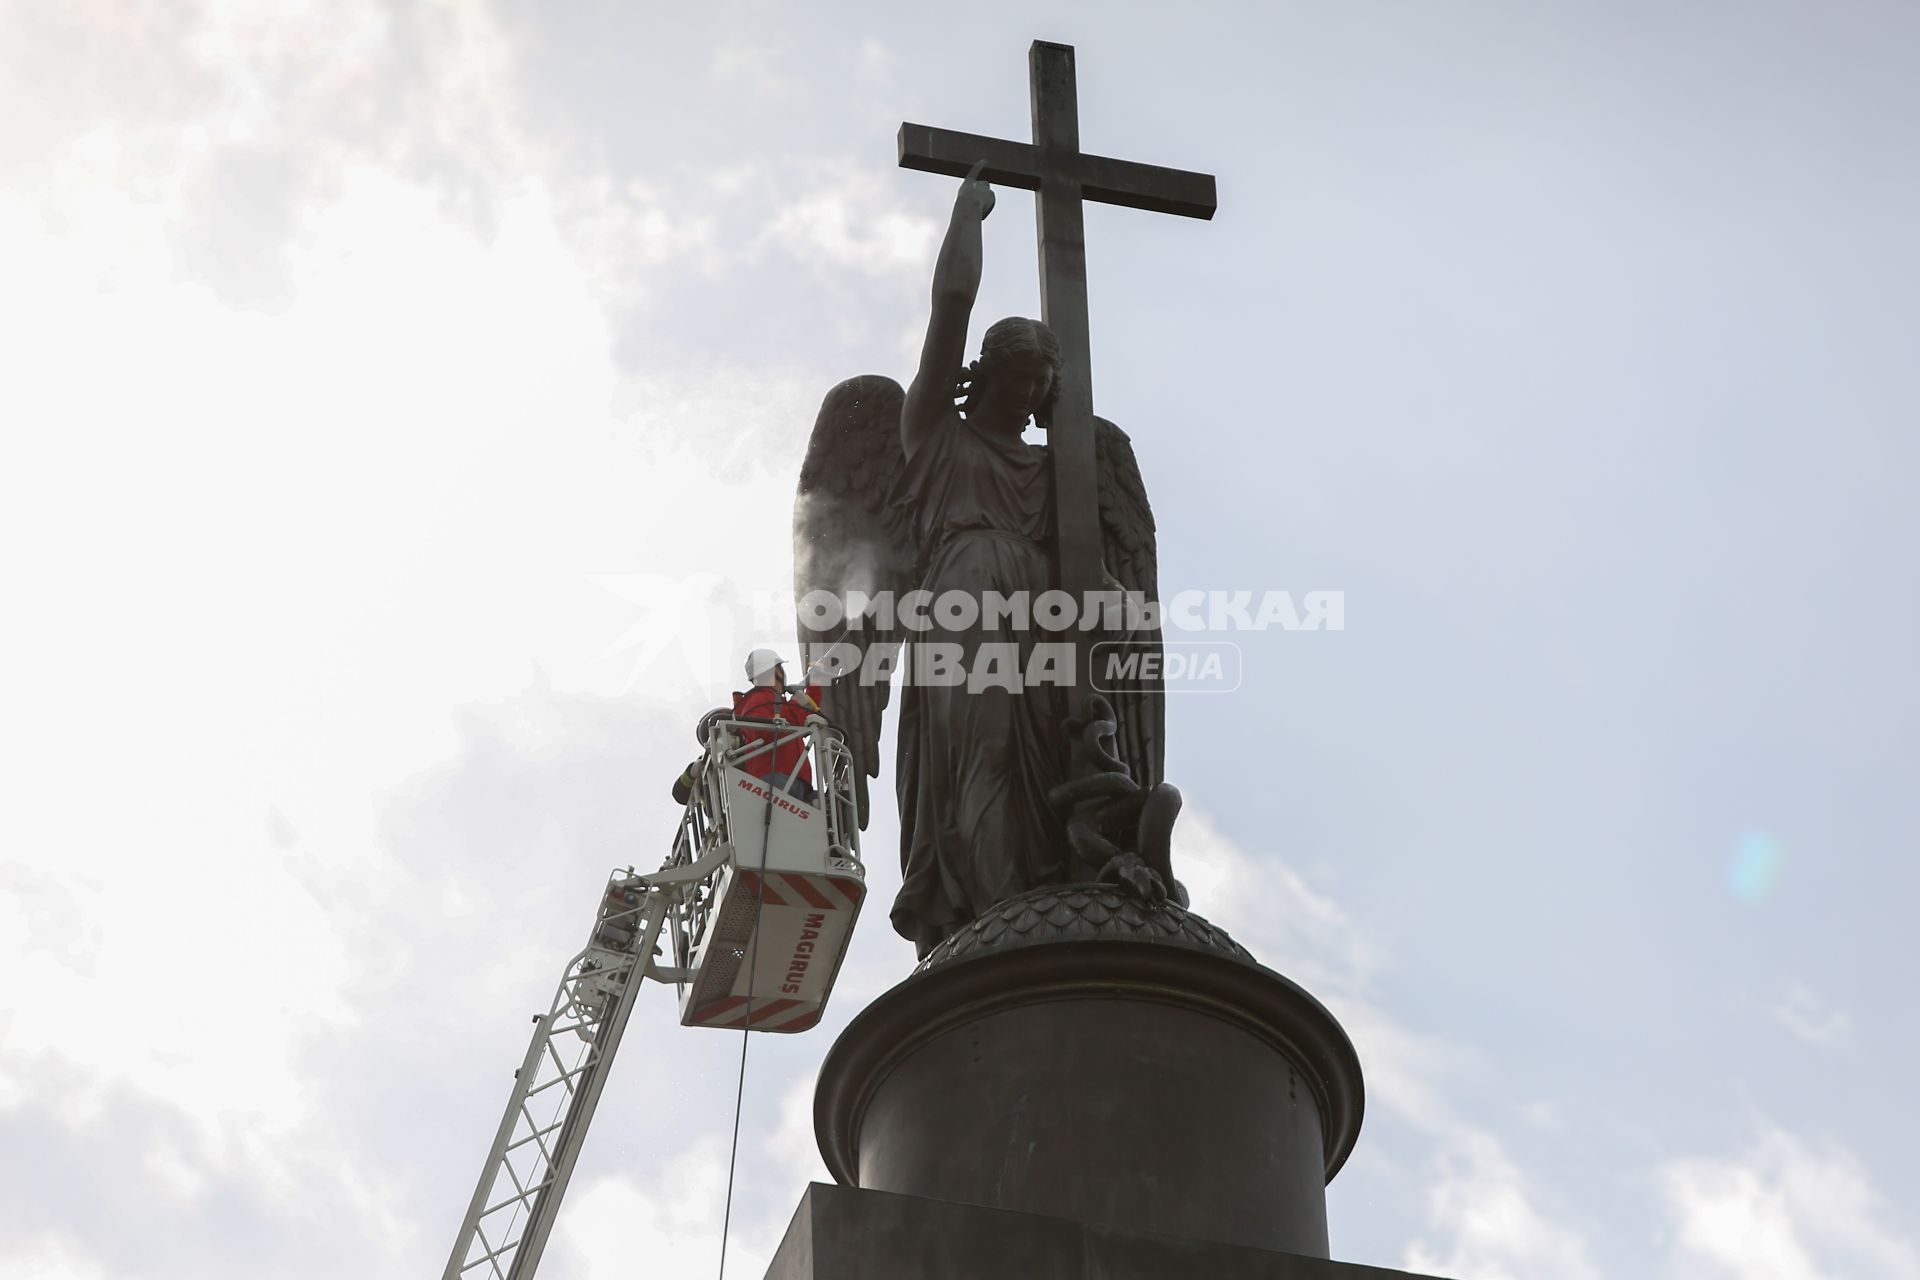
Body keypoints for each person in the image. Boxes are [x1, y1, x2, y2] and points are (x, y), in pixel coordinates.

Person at [888, 162, 1073, 956]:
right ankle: (992, 913)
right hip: (964, 592)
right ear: (990, 374)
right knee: (982, 752)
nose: (1031, 392)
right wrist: (968, 218)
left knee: (1051, 761)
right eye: (1021, 374)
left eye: (1043, 381)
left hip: (1044, 611)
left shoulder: (1058, 468)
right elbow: (949, 311)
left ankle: (1041, 897)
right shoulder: (937, 435)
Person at [731, 647, 827, 801]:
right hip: (774, 779)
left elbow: (803, 716)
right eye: (780, 667)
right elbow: (758, 733)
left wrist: (815, 680)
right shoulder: (756, 701)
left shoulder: (778, 703)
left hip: (796, 780)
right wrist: (792, 708)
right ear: (775, 671)